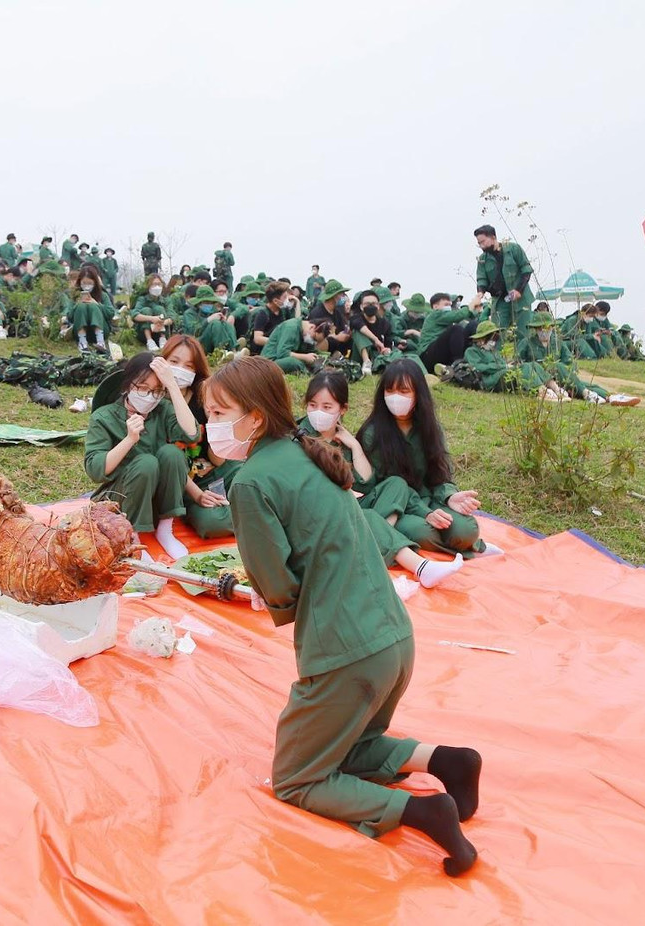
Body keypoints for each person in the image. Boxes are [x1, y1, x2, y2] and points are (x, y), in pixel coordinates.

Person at [204, 356, 481, 876]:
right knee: (349, 746)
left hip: (347, 653)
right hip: (393, 639)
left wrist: (268, 596)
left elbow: (275, 580)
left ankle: (422, 812)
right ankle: (447, 761)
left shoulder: (250, 482)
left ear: (255, 417)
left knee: (298, 778)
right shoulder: (306, 452)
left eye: (219, 413)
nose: (209, 424)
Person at [298, 371, 464, 588]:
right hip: (322, 513)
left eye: (327, 407)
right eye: (312, 405)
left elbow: (366, 482)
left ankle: (377, 539)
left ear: (343, 409)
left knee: (396, 484)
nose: (318, 412)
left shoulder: (342, 438)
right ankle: (421, 567)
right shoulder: (298, 437)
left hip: (351, 507)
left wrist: (354, 446)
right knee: (368, 517)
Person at [357, 359, 501, 557]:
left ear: (418, 393)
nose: (396, 397)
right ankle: (472, 549)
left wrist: (449, 497)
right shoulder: (372, 434)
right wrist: (425, 513)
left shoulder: (430, 428)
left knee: (466, 530)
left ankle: (467, 543)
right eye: (389, 391)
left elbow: (440, 474)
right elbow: (389, 487)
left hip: (431, 500)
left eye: (404, 391)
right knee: (424, 533)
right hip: (399, 507)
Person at [84, 351, 200, 559]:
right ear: (127, 385)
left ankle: (165, 530)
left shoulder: (162, 410)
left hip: (153, 502)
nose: (149, 396)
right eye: (142, 388)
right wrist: (129, 439)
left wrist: (172, 386)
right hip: (118, 503)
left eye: (157, 391)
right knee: (146, 462)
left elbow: (191, 434)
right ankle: (133, 538)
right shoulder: (104, 417)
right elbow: (95, 469)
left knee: (172, 453)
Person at [159, 336, 234, 540]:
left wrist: (214, 423)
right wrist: (198, 495)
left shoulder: (203, 397)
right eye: (174, 362)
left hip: (210, 473)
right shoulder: (152, 401)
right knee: (213, 523)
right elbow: (166, 464)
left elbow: (219, 460)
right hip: (180, 486)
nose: (180, 369)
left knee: (251, 478)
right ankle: (258, 517)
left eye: (189, 366)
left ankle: (262, 511)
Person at [473, 224, 534, 359]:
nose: (482, 246)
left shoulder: (513, 249)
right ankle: (494, 360)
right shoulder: (482, 260)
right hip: (500, 300)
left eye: (483, 242)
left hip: (521, 298)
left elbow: (526, 270)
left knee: (523, 332)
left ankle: (522, 361)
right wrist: (480, 294)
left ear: (493, 237)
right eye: (479, 243)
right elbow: (481, 279)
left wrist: (519, 290)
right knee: (495, 332)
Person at [261, 315, 329, 374]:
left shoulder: (306, 335)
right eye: (314, 338)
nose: (313, 342)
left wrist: (323, 358)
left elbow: (311, 351)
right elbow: (283, 353)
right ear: (312, 327)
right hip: (270, 363)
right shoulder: (291, 327)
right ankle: (308, 373)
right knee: (293, 363)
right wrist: (305, 357)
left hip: (282, 360)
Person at [66, 264, 111, 352]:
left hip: (102, 329)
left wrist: (97, 304)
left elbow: (110, 313)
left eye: (90, 283)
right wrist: (77, 305)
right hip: (79, 331)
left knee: (93, 305)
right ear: (80, 282)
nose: (87, 286)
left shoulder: (103, 295)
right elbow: (69, 316)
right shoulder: (75, 295)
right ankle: (82, 342)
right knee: (81, 306)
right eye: (84, 283)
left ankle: (100, 342)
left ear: (95, 282)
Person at [184, 284, 239, 354]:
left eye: (211, 303)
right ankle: (221, 352)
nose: (209, 305)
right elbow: (194, 331)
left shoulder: (213, 311)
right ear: (199, 302)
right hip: (194, 344)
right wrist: (208, 320)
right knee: (215, 323)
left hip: (210, 344)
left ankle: (234, 350)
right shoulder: (189, 314)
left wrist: (223, 321)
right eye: (206, 302)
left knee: (227, 324)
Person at [131, 274, 174, 350]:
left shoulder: (166, 300)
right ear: (148, 286)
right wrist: (152, 318)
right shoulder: (142, 299)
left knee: (159, 308)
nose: (157, 287)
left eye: (159, 284)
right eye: (154, 284)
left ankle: (162, 339)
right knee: (146, 310)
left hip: (162, 330)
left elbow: (172, 316)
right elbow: (135, 315)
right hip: (144, 334)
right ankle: (149, 341)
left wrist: (162, 322)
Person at [249, 281, 294, 351]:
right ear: (275, 301)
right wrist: (279, 342)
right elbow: (258, 339)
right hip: (263, 350)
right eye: (285, 297)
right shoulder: (263, 314)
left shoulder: (284, 311)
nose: (287, 300)